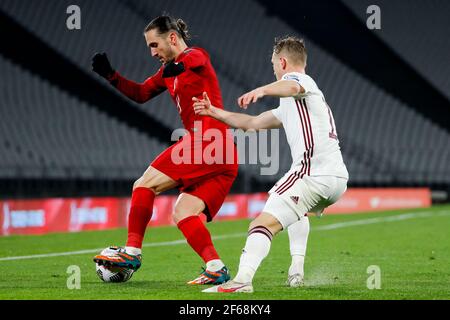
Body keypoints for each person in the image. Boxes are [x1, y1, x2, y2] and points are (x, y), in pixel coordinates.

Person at [193, 36, 349, 293]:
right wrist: (213, 112)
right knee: (297, 210)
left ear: (283, 62)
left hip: (312, 174)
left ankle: (242, 281)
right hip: (336, 179)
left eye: (275, 64)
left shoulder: (302, 82)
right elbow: (252, 124)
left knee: (260, 224)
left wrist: (262, 90)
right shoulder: (293, 105)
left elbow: (291, 86)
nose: (274, 69)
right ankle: (296, 271)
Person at [91, 15, 238, 285]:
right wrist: (111, 76)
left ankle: (132, 252)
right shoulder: (166, 72)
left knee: (143, 184)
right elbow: (141, 94)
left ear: (172, 38)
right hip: (224, 152)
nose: (152, 52)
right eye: (149, 47)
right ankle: (216, 267)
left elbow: (196, 61)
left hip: (207, 141)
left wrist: (178, 66)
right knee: (183, 213)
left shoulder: (194, 56)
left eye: (155, 45)